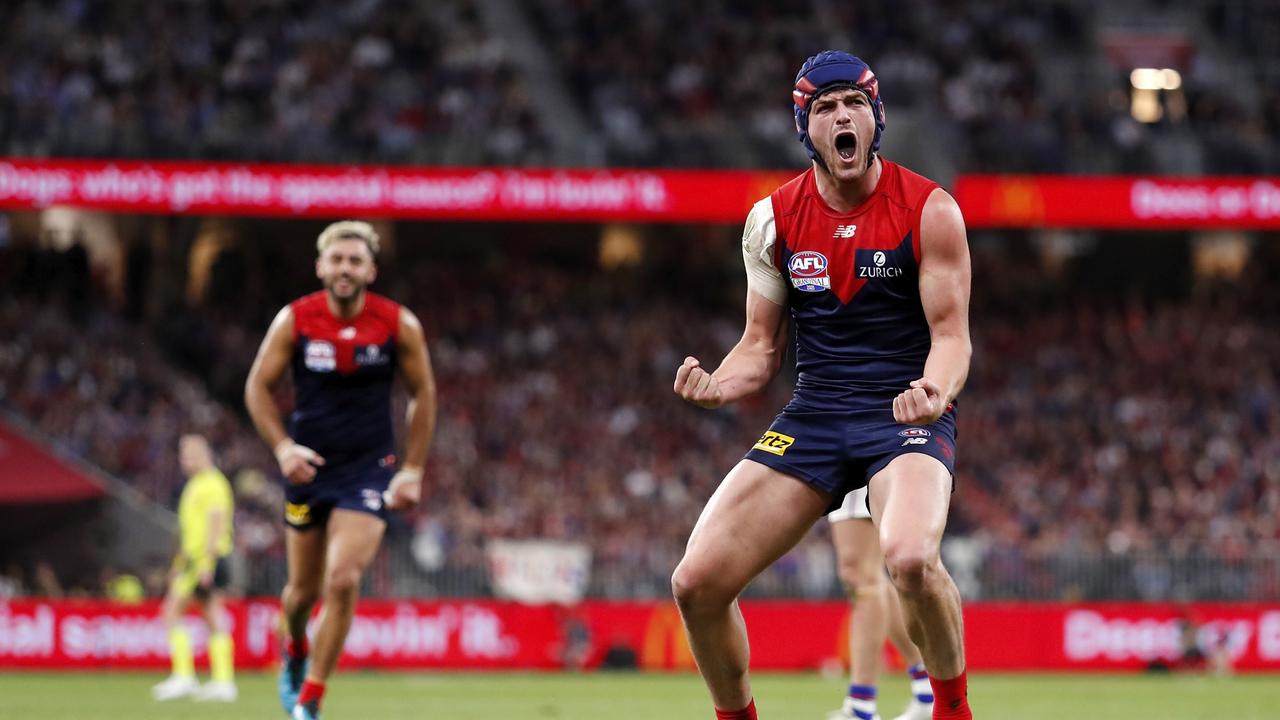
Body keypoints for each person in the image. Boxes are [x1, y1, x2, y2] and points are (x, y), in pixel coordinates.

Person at [671, 50, 973, 720]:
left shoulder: (930, 209)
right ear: (804, 126)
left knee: (909, 560)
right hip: (816, 417)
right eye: (825, 108)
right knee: (695, 583)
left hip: (906, 416)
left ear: (876, 118)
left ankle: (952, 710)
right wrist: (719, 386)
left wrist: (933, 389)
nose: (842, 117)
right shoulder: (771, 220)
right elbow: (760, 348)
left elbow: (953, 338)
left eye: (854, 104)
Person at [245, 221, 437, 720]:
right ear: (320, 266)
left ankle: (310, 699)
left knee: (344, 579)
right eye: (337, 260)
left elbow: (423, 395)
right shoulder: (296, 319)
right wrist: (284, 447)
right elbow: (257, 387)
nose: (345, 268)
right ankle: (294, 644)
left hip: (369, 471)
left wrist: (412, 469)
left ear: (370, 270)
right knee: (301, 594)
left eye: (355, 261)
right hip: (308, 469)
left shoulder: (398, 324)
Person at [826, 487, 933, 720]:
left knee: (861, 575)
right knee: (869, 575)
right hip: (842, 455)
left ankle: (861, 707)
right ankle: (928, 689)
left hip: (856, 455)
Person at [151, 434, 238, 702]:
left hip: (206, 559)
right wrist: (179, 563)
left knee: (171, 612)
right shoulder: (195, 485)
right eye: (183, 455)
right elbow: (189, 530)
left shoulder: (213, 484)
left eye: (189, 455)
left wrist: (206, 564)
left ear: (204, 455)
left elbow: (215, 523)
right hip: (194, 560)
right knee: (212, 616)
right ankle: (223, 681)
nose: (184, 461)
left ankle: (185, 677)